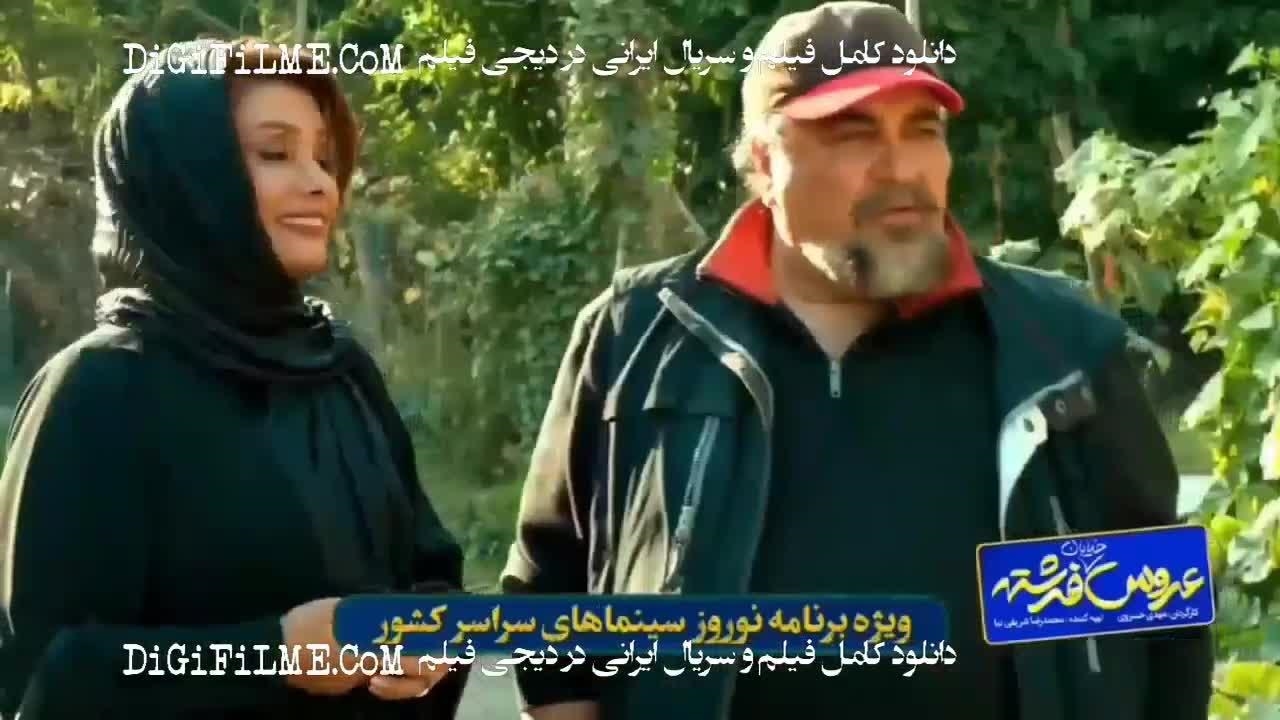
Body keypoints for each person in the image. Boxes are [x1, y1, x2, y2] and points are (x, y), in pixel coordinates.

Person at [500, 2, 1214, 719]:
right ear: (764, 162)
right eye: (854, 134)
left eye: (923, 130)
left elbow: (1160, 622)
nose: (901, 169)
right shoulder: (641, 336)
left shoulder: (1054, 352)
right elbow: (552, 596)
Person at [0, 39, 468, 719]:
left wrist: (429, 638)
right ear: (188, 176)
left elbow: (432, 575)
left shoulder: (338, 371)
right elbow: (51, 680)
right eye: (275, 153)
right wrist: (268, 655)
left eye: (324, 157)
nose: (320, 183)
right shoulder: (101, 390)